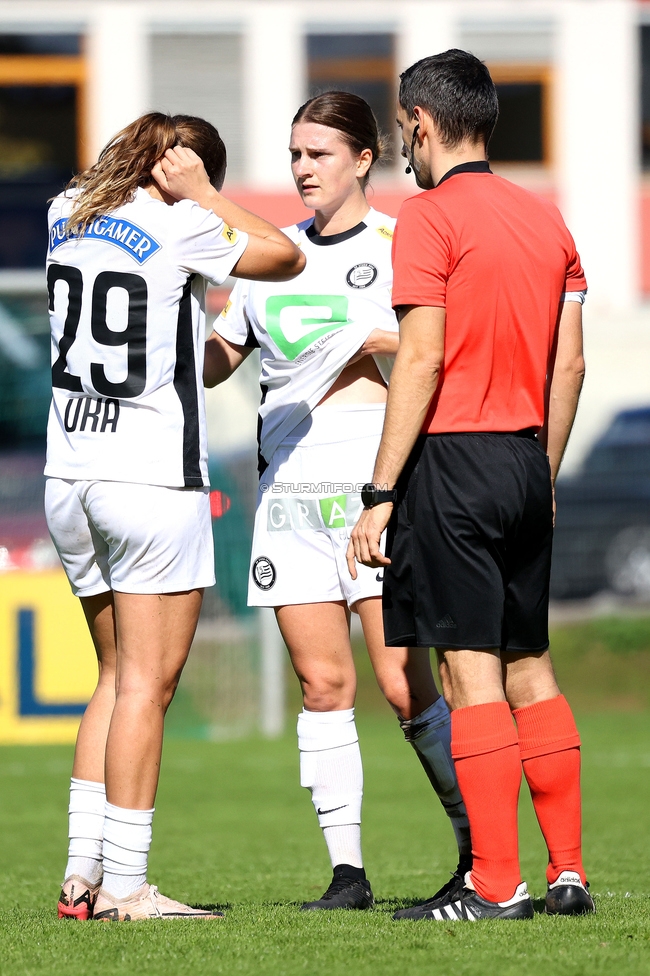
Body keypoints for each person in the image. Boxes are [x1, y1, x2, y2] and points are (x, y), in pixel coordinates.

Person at [189, 91, 471, 910]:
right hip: (286, 491)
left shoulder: (399, 245)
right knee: (323, 685)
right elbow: (217, 361)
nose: (302, 169)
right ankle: (347, 873)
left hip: (373, 491)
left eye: (317, 154)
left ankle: (477, 851)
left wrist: (375, 339)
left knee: (399, 680)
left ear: (362, 159)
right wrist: (175, 311)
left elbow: (437, 350)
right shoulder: (269, 258)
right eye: (294, 155)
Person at [348, 50, 594, 922]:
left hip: (453, 461)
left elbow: (422, 352)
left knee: (469, 670)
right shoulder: (546, 218)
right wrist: (545, 469)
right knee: (532, 666)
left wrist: (380, 493)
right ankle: (567, 873)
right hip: (529, 460)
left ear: (418, 121)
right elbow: (571, 363)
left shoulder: (429, 215)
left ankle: (495, 886)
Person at [47, 112, 304, 921]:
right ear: (184, 166)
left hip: (71, 475)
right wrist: (205, 195)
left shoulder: (65, 209)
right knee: (147, 692)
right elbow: (286, 257)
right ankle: (127, 885)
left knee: (115, 678)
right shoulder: (184, 220)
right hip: (149, 478)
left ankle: (80, 876)